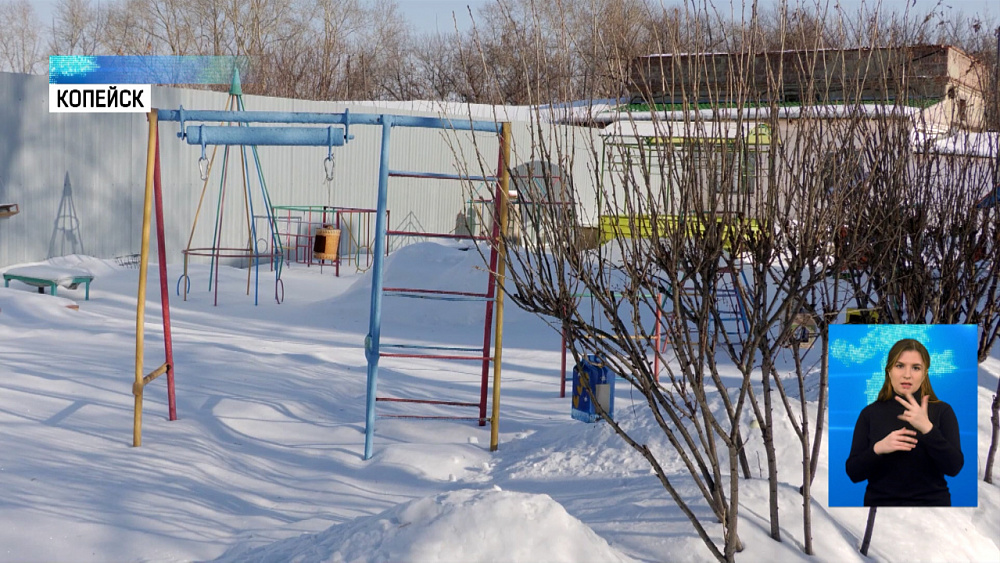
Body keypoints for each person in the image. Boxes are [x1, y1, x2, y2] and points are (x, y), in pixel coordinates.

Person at [845, 338, 963, 506]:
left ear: (925, 373)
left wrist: (928, 429)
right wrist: (879, 448)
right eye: (900, 366)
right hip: (879, 509)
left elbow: (954, 468)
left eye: (916, 368)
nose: (907, 374)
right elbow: (853, 473)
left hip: (935, 511)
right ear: (889, 370)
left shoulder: (942, 411)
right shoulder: (869, 414)